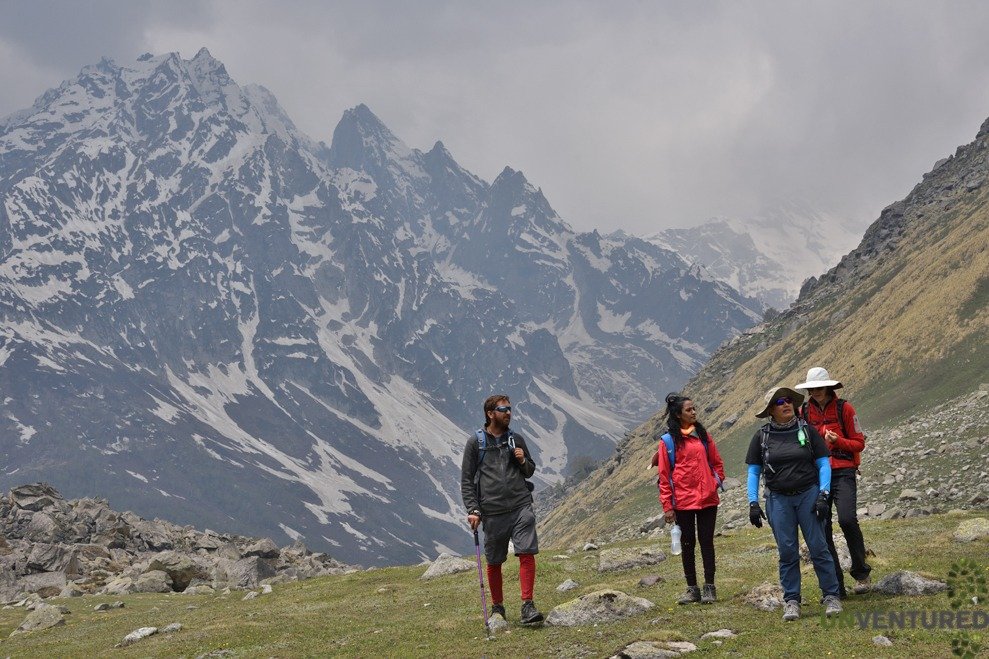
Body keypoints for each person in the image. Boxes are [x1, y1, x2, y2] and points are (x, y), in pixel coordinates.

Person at [746, 385, 843, 621]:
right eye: (780, 402)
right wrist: (753, 503)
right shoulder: (762, 437)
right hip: (778, 499)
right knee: (787, 551)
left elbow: (823, 464)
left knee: (819, 546)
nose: (786, 404)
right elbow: (753, 472)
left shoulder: (808, 431)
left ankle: (831, 596)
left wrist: (823, 494)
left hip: (808, 495)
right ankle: (791, 600)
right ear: (771, 410)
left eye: (788, 400)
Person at [460, 395, 543, 625]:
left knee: (526, 551)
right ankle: (498, 608)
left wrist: (523, 460)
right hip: (493, 511)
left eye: (509, 409)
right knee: (494, 560)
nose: (508, 413)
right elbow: (467, 480)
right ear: (490, 413)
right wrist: (473, 509)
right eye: (503, 409)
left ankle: (528, 606)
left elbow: (529, 471)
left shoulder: (516, 440)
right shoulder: (475, 444)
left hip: (520, 505)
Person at [795, 366, 871, 597]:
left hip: (843, 471)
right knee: (822, 527)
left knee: (848, 519)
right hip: (816, 475)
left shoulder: (845, 408)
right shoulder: (803, 412)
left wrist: (838, 442)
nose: (815, 391)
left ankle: (861, 572)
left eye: (819, 387)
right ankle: (835, 584)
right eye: (812, 388)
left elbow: (859, 443)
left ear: (828, 386)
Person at [656, 393, 725, 605]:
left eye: (694, 409)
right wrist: (668, 506)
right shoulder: (668, 442)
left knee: (707, 542)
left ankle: (710, 587)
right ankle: (692, 588)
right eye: (689, 410)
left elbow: (717, 464)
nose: (694, 412)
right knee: (687, 543)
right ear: (678, 415)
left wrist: (714, 482)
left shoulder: (703, 436)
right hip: (683, 501)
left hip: (707, 499)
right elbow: (664, 476)